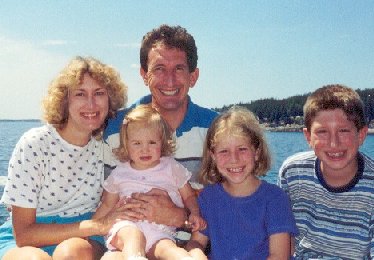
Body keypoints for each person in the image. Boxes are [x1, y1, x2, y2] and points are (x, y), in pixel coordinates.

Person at [0, 56, 128, 259]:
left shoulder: (109, 146)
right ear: (64, 100)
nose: (91, 103)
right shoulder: (35, 144)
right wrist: (95, 225)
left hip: (85, 239)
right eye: (80, 94)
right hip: (30, 236)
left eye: (99, 93)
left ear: (110, 99)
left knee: (71, 252)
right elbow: (23, 235)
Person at [104, 24, 218, 233]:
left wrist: (178, 215)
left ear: (193, 76)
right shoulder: (114, 129)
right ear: (144, 74)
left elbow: (233, 204)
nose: (169, 80)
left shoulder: (217, 130)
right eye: (159, 69)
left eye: (179, 69)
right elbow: (103, 205)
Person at [94, 104, 207, 260]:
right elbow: (107, 204)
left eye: (152, 142)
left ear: (162, 142)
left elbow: (188, 196)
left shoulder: (171, 167)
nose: (145, 149)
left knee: (167, 248)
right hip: (126, 226)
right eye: (137, 143)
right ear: (127, 145)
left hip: (160, 230)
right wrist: (92, 227)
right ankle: (135, 256)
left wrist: (194, 213)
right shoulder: (119, 173)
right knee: (134, 238)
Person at [186, 106, 298, 260]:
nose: (234, 159)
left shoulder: (274, 198)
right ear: (213, 156)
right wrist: (197, 254)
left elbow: (279, 256)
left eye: (242, 149)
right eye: (224, 151)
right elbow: (196, 242)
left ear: (257, 153)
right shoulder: (208, 197)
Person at [278, 84, 374, 259]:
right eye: (322, 132)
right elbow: (282, 232)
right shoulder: (293, 173)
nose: (333, 143)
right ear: (308, 137)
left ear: (361, 135)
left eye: (343, 130)